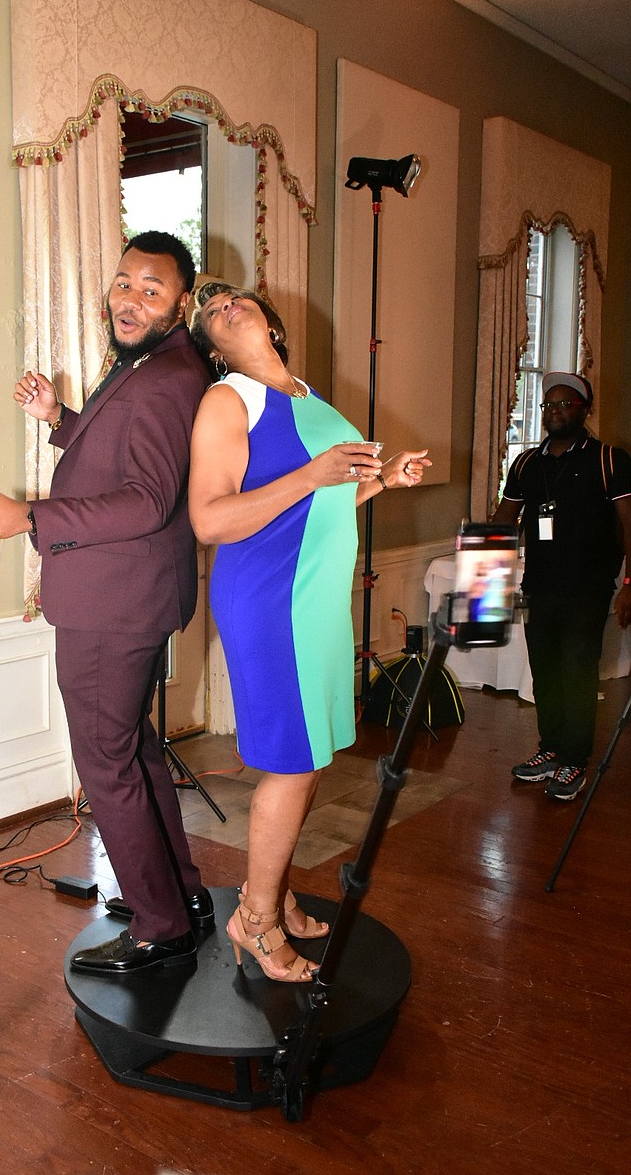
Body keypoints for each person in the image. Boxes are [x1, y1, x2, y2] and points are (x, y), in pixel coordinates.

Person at [0, 231, 214, 976]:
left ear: (182, 303)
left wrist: (29, 516)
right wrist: (61, 419)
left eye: (152, 289)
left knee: (105, 763)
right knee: (131, 750)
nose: (130, 299)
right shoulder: (152, 365)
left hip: (115, 603)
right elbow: (121, 450)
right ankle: (180, 896)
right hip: (124, 595)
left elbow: (146, 500)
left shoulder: (168, 376)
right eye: (124, 282)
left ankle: (160, 925)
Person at [188, 282, 431, 982]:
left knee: (309, 757)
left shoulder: (309, 396)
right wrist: (312, 472)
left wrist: (381, 481)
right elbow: (210, 521)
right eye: (210, 312)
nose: (224, 305)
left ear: (271, 319)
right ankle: (255, 923)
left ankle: (276, 891)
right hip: (272, 600)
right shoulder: (227, 401)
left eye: (233, 297)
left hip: (317, 600)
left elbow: (322, 501)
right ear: (210, 345)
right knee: (291, 763)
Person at [493, 371, 631, 801]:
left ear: (584, 410)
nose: (554, 411)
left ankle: (575, 760)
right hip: (540, 586)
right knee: (546, 671)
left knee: (577, 673)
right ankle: (550, 749)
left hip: (587, 588)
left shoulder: (608, 460)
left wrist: (629, 583)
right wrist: (485, 578)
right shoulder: (527, 465)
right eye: (548, 405)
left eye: (564, 404)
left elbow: (630, 526)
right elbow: (504, 520)